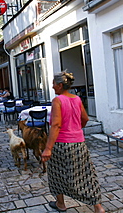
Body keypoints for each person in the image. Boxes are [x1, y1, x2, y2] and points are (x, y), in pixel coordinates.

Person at [41, 71, 105, 213]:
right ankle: (98, 207)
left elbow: (56, 125)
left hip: (61, 144)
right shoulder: (76, 99)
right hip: (79, 143)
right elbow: (85, 119)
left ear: (60, 85)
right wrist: (75, 129)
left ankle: (61, 204)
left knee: (56, 173)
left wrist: (48, 148)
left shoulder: (57, 101)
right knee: (87, 173)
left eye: (53, 84)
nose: (52, 87)